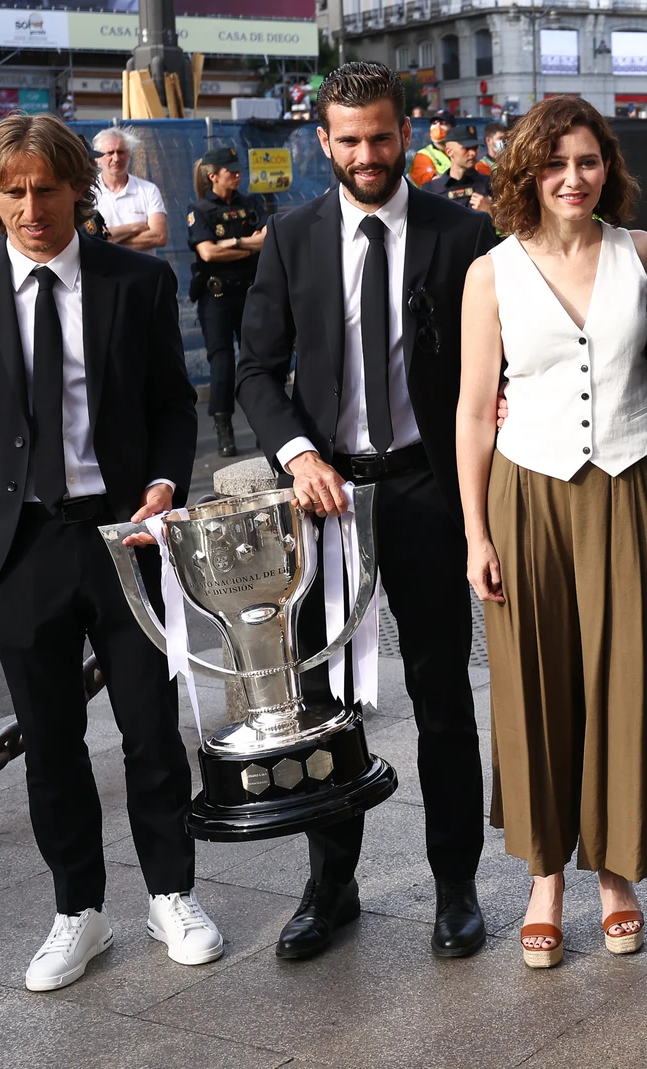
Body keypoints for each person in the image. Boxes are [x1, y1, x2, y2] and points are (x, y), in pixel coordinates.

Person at [0, 112, 217, 992]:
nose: (32, 208)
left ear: (81, 187)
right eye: (14, 192)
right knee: (50, 741)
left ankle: (172, 890)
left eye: (48, 189)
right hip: (17, 542)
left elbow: (173, 406)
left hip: (124, 537)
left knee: (152, 731)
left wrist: (165, 484)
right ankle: (78, 910)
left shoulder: (138, 281)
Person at [235, 61, 500, 961]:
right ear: (323, 143)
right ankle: (331, 885)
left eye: (381, 136)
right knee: (324, 704)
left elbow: (492, 362)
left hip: (426, 486)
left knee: (441, 696)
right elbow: (255, 372)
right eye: (348, 141)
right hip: (325, 498)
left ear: (405, 131)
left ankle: (455, 886)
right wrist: (298, 453)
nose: (367, 154)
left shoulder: (463, 234)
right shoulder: (290, 237)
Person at [455, 96, 647, 969]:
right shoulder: (492, 272)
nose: (573, 178)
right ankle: (545, 875)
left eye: (588, 161)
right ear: (527, 171)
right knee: (534, 686)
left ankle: (616, 873)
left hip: (633, 484)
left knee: (624, 684)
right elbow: (474, 410)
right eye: (555, 163)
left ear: (609, 168)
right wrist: (476, 532)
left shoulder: (643, 254)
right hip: (528, 494)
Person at [187, 146, 266, 458]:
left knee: (259, 359)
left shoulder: (252, 203)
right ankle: (223, 426)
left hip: (251, 291)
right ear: (212, 176)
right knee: (221, 364)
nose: (237, 174)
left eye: (238, 169)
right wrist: (250, 246)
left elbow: (267, 238)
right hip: (216, 295)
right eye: (230, 170)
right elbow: (207, 253)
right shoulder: (201, 209)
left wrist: (233, 243)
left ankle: (264, 422)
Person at [90, 126, 169, 255]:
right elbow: (88, 239)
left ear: (129, 154)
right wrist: (135, 227)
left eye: (121, 152)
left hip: (143, 273)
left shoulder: (148, 190)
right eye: (110, 153)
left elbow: (159, 236)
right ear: (98, 157)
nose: (116, 158)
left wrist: (106, 242)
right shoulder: (89, 192)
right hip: (104, 273)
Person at [431, 132, 493, 211]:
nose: (473, 153)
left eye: (475, 148)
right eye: (466, 148)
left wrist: (490, 211)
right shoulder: (431, 188)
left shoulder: (491, 185)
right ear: (449, 152)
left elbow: (508, 221)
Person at [410, 110, 455, 187]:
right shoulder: (423, 156)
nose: (437, 126)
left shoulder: (461, 150)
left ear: (453, 129)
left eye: (442, 123)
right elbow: (432, 185)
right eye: (434, 123)